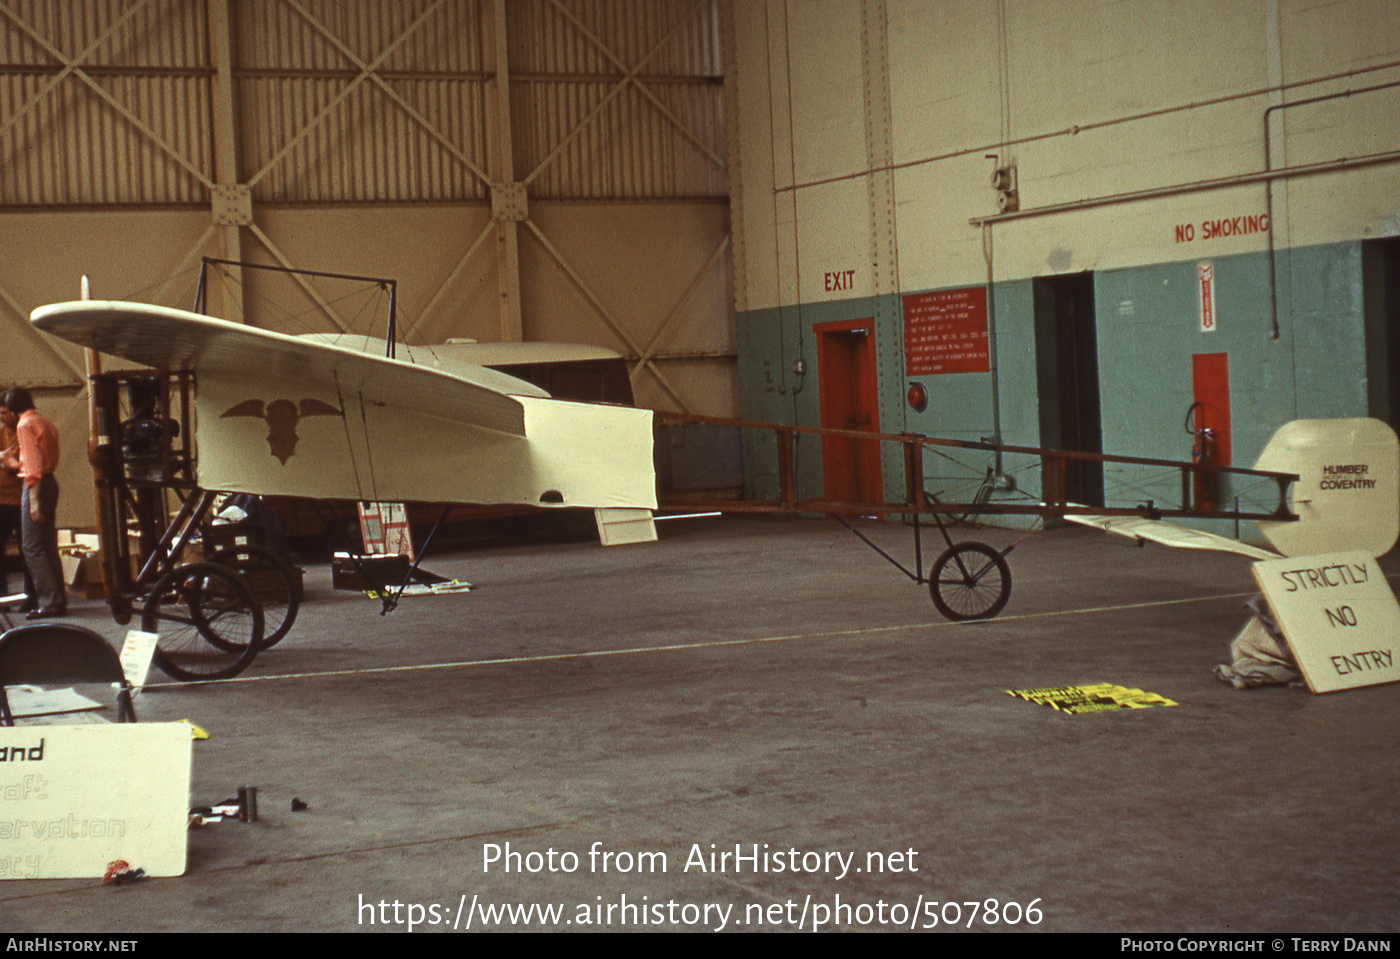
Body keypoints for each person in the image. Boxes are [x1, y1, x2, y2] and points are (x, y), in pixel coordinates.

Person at [1, 388, 64, 618]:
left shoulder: (24, 425)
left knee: (32, 547)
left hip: (36, 486)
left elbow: (32, 466)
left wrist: (34, 499)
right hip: (50, 482)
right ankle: (58, 598)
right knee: (47, 545)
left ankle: (49, 601)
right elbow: (45, 459)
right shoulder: (44, 422)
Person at [0, 403, 35, 608]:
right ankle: (2, 596)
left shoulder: (25, 430)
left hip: (21, 500)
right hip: (1, 501)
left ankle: (30, 597)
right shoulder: (2, 433)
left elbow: (23, 464)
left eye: (4, 412)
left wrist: (7, 461)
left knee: (27, 550)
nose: (2, 417)